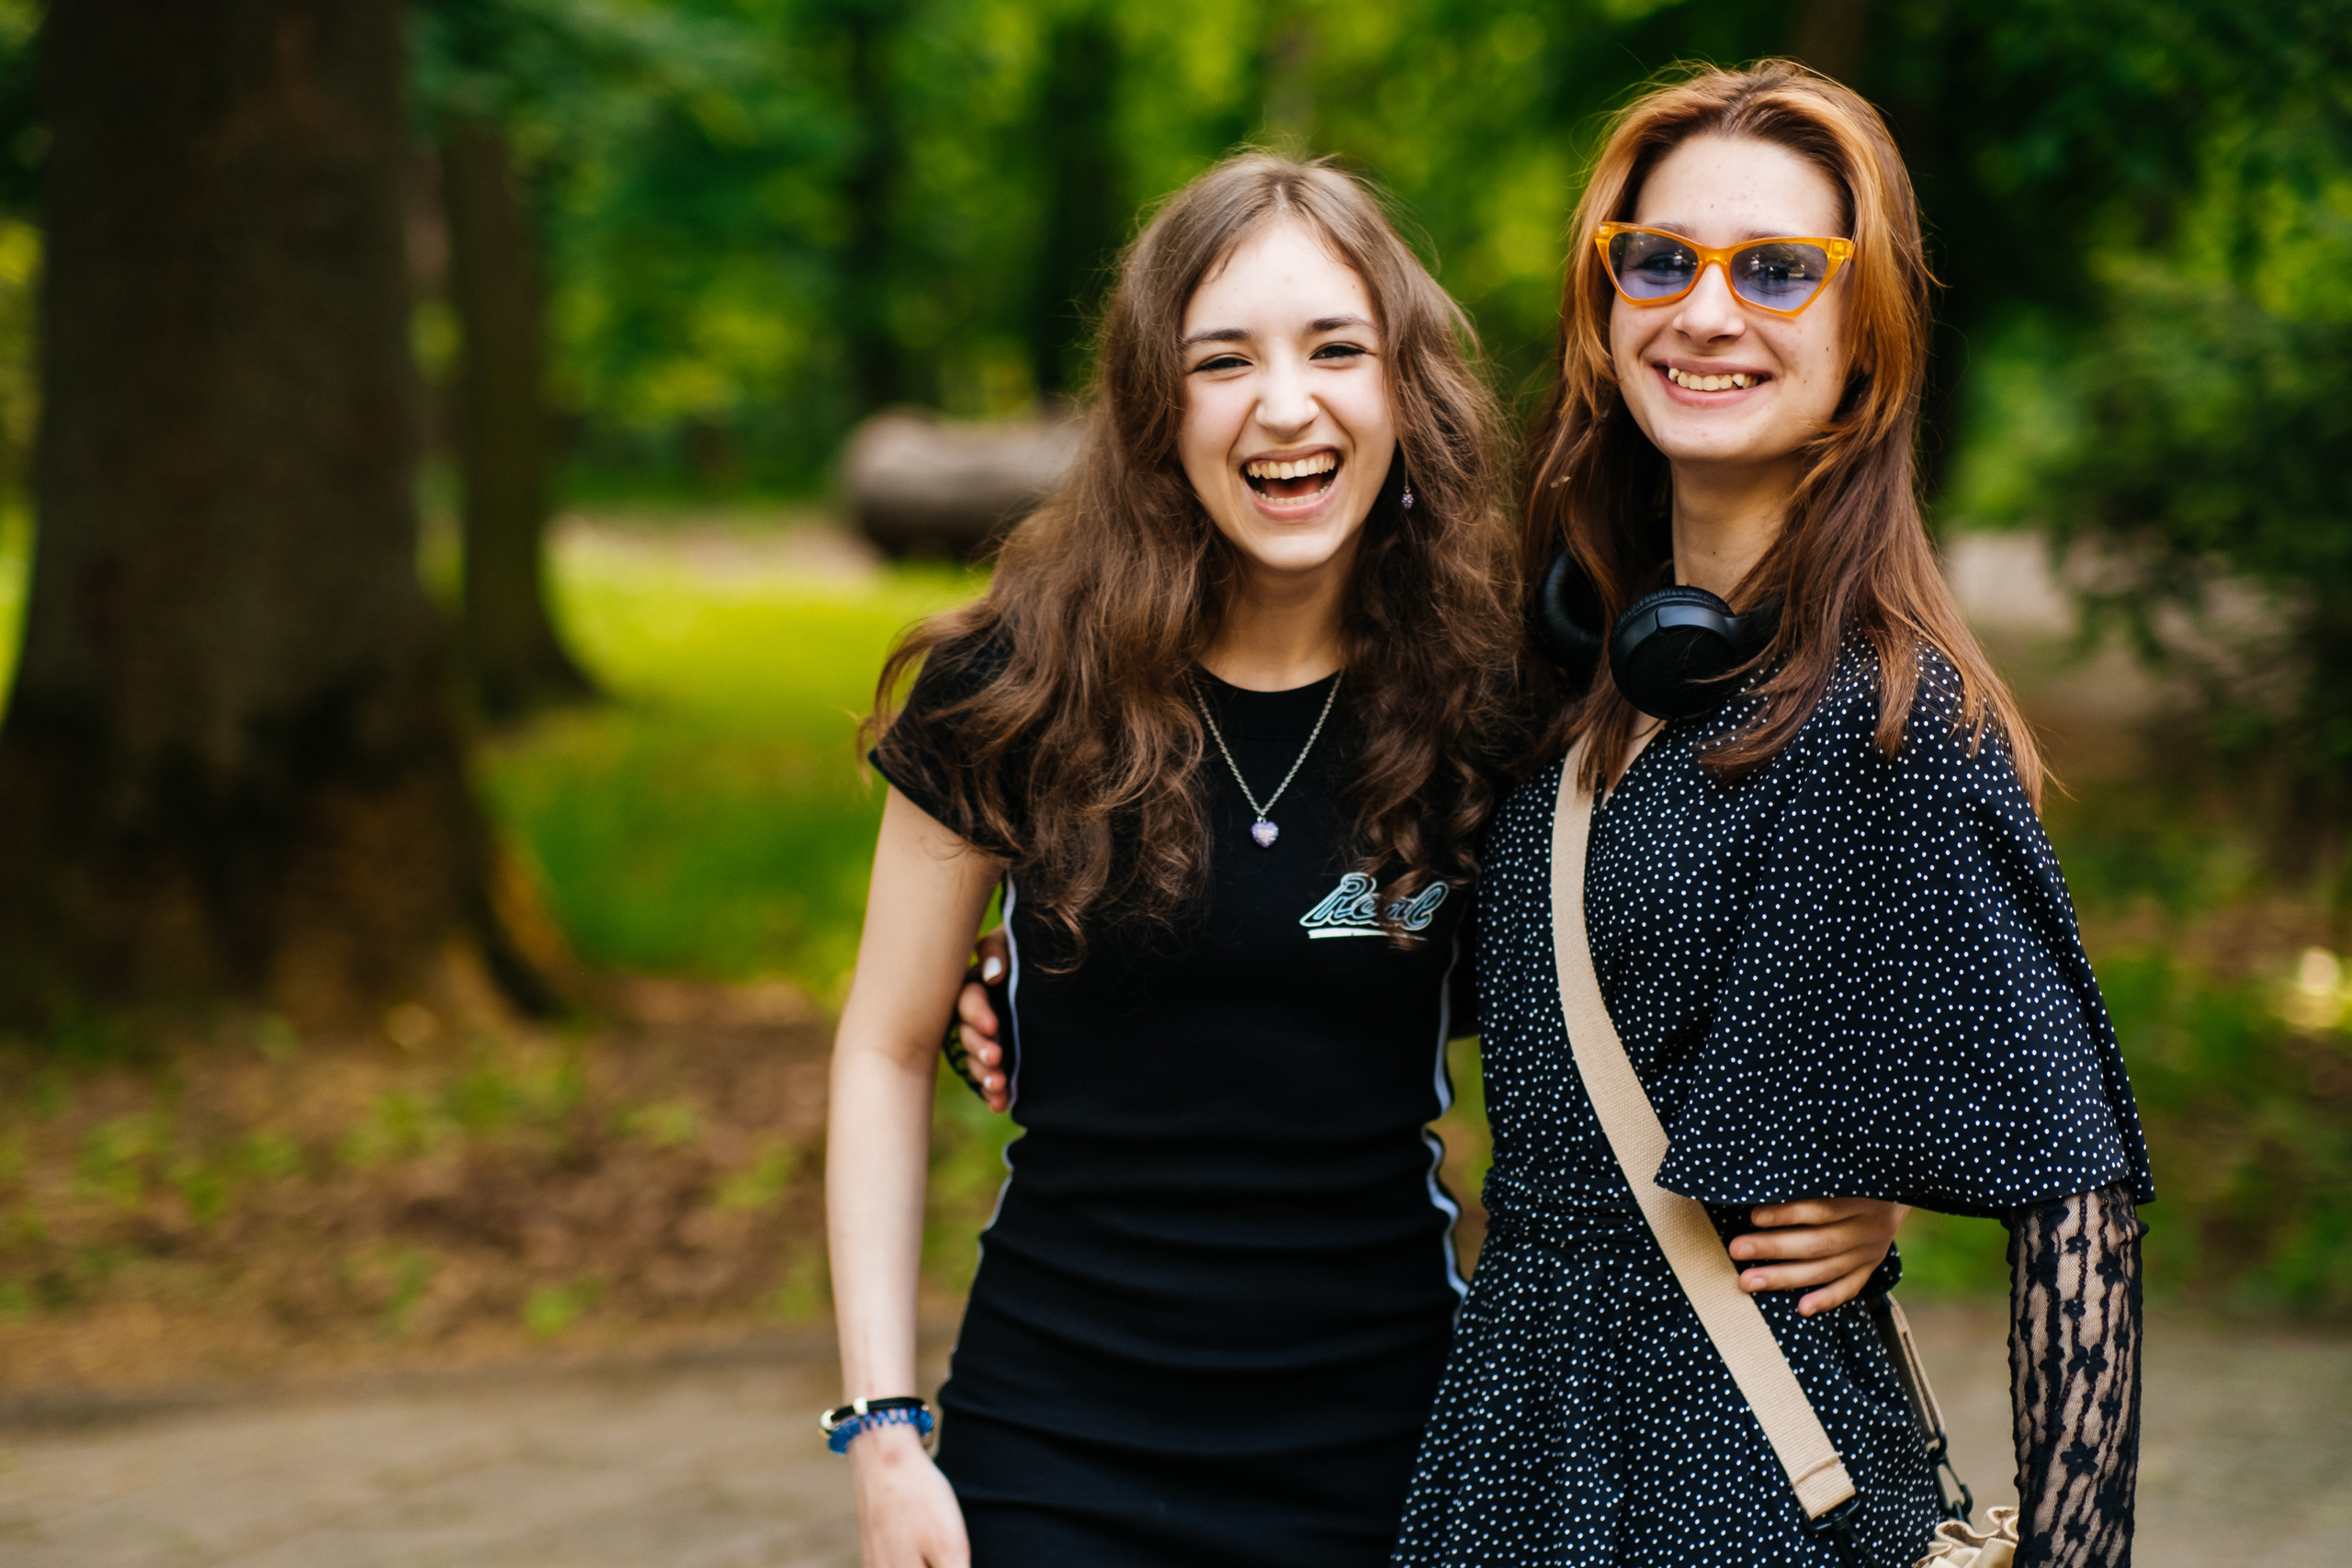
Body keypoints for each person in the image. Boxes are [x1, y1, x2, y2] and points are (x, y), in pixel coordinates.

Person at [828, 151, 1905, 1568]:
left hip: (1395, 1454)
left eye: (1337, 348)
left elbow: (1646, 1002)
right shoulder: (1015, 686)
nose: (1287, 405)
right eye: (1224, 361)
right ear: (1161, 408)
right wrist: (883, 1429)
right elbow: (883, 1051)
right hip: (1053, 1450)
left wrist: (1857, 1172)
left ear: (1404, 388)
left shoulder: (1501, 701)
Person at [1385, 62, 2152, 1568]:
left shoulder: (1893, 721)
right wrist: (1030, 977)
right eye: (1660, 260)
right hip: (1509, 1455)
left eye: (1782, 271)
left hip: (1741, 1486)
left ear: (1867, 343)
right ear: (1607, 317)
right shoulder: (1582, 685)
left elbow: (2079, 1199)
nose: (1708, 311)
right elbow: (1408, 953)